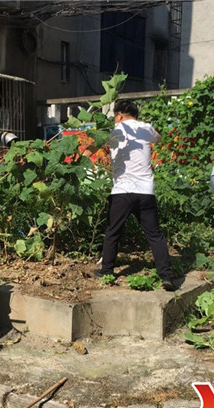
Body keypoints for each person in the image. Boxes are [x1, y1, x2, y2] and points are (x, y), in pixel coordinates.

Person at [86, 100, 177, 291]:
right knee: (155, 235)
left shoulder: (113, 131)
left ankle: (107, 271)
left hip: (122, 191)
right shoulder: (146, 128)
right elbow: (159, 138)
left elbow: (88, 151)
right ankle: (167, 276)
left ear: (119, 115)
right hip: (145, 191)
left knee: (113, 231)